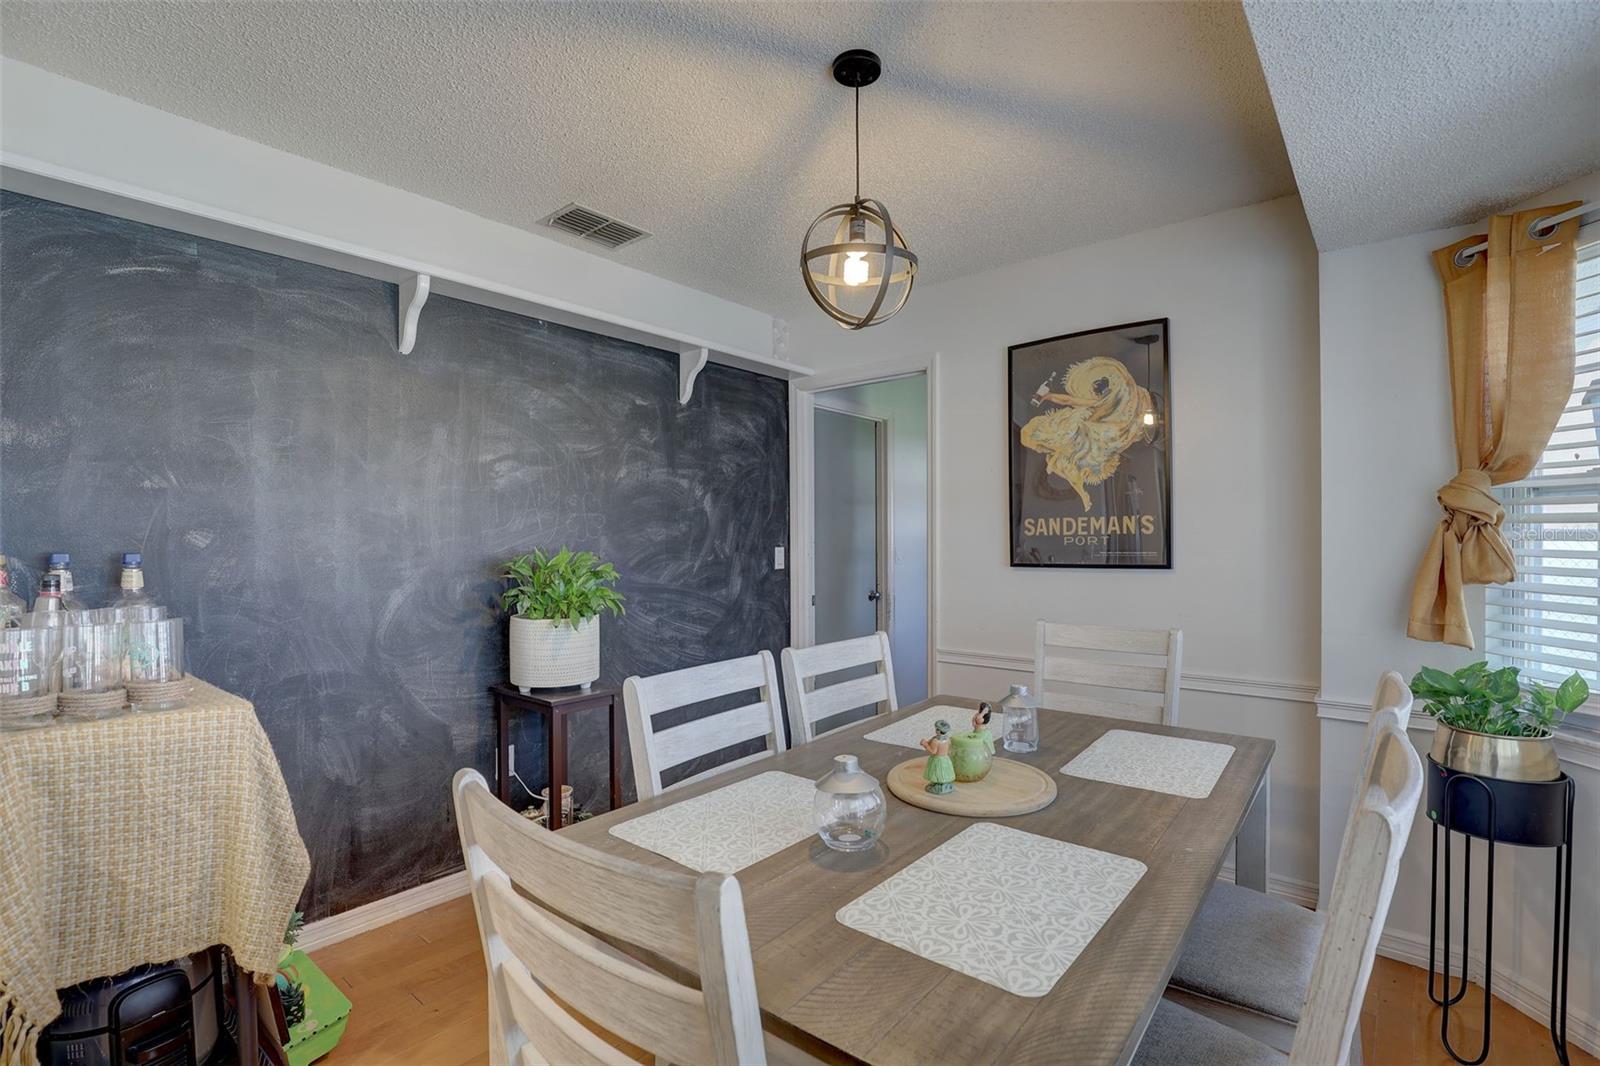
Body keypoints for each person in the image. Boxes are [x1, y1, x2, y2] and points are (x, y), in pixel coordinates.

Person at [920, 720, 956, 795]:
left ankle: (939, 785)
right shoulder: (948, 739)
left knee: (937, 772)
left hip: (937, 759)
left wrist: (925, 745)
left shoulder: (936, 741)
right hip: (945, 759)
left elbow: (933, 751)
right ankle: (942, 785)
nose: (936, 730)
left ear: (939, 731)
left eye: (936, 729)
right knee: (944, 772)